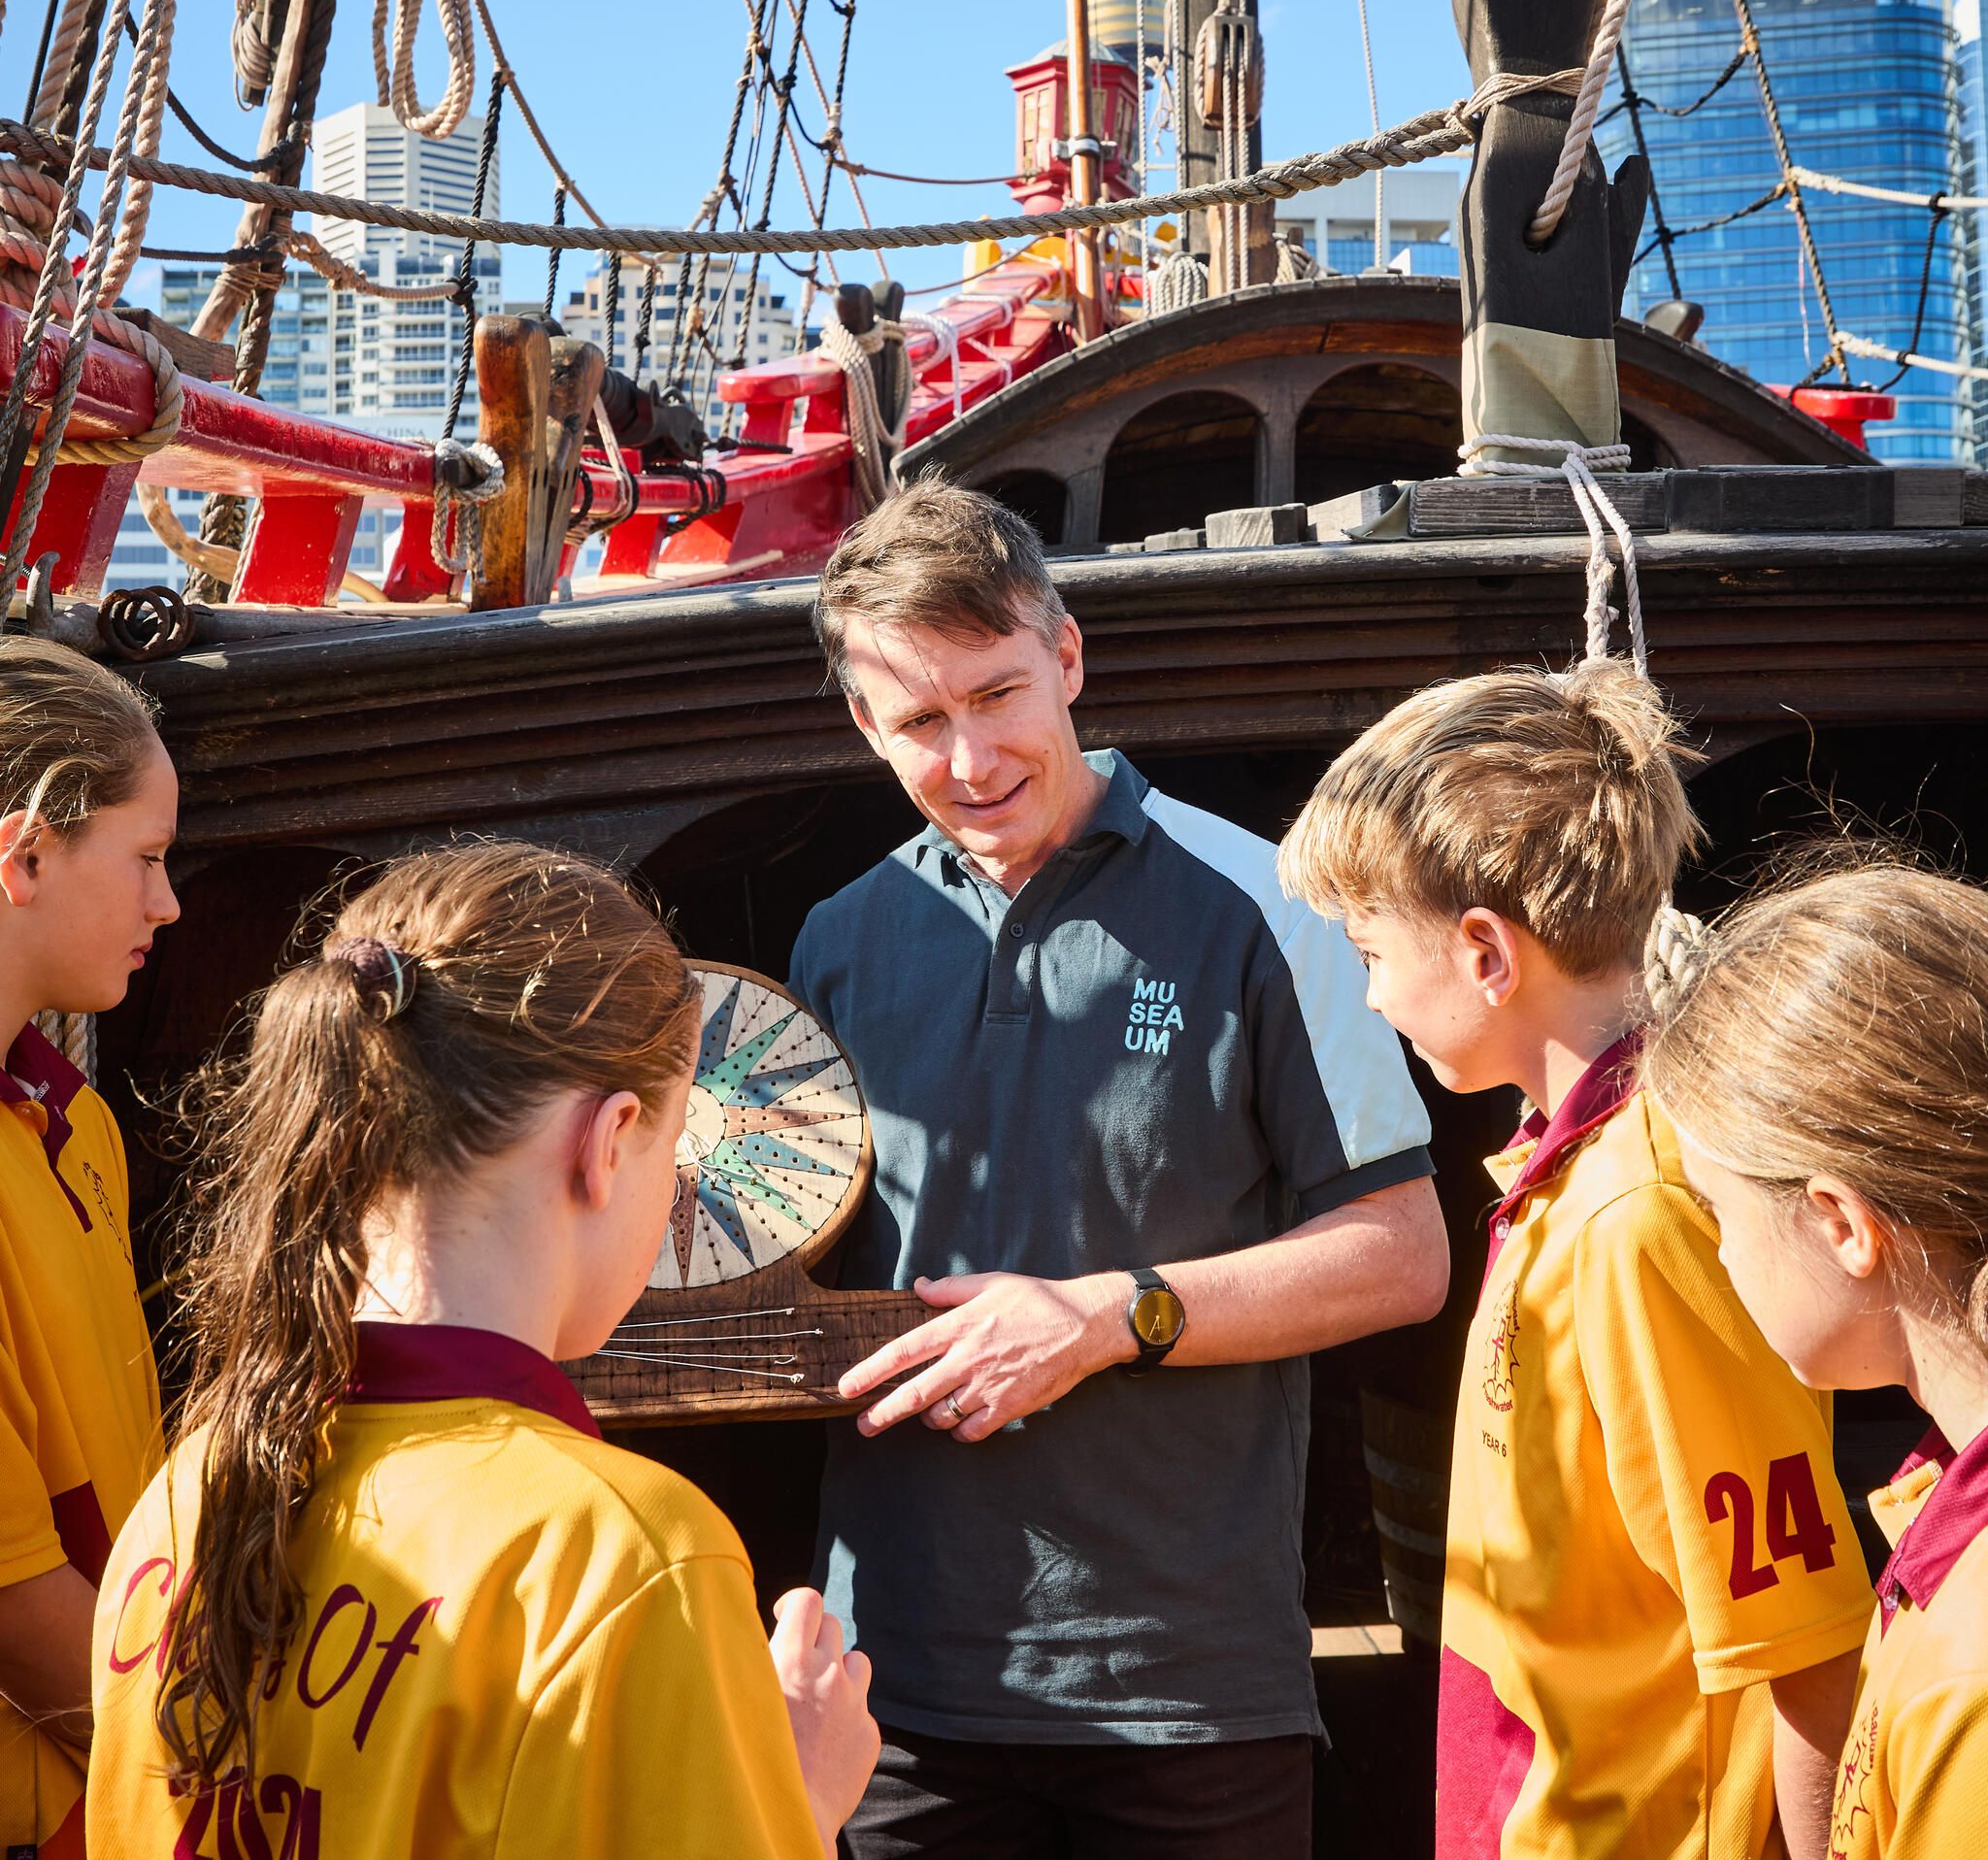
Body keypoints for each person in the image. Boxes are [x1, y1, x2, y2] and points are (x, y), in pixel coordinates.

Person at [787, 476, 1448, 1856]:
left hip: (1189, 1694)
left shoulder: (1275, 905)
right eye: (919, 720)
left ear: (1069, 658)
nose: (969, 757)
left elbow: (1404, 1255)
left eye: (998, 694)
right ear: (864, 723)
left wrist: (1104, 1318)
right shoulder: (835, 943)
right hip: (891, 1691)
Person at [86, 841, 878, 1859]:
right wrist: (793, 1805)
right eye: (671, 1150)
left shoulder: (188, 1493)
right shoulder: (623, 1554)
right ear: (608, 1139)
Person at [1276, 662, 1873, 1860]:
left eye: (1369, 947)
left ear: (1486, 953)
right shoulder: (1573, 1176)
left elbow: (1803, 1647)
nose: (1369, 988)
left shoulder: (1639, 1214)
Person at [1643, 863, 1988, 1860]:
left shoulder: (1972, 1672)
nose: (1714, 1252)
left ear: (1839, 1222)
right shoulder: (1943, 1506)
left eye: (1715, 1211)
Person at [0, 637, 180, 1857]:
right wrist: (200, 1769)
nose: (165, 903)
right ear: (24, 852)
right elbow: (12, 1602)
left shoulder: (75, 1124)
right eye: (148, 858)